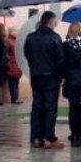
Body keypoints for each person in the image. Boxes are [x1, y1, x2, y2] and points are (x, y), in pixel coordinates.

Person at [25, 11, 65, 149]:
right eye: (55, 22)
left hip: (36, 76)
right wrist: (61, 77)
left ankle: (36, 137)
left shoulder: (30, 37)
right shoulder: (54, 38)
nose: (56, 24)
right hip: (51, 77)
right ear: (50, 22)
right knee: (50, 107)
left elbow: (27, 55)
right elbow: (60, 59)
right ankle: (49, 137)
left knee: (37, 106)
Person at [62, 22, 81, 147]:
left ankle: (75, 135)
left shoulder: (65, 45)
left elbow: (62, 63)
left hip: (71, 80)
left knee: (73, 109)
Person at [5, 28, 23, 104]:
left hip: (17, 64)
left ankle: (15, 97)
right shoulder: (8, 41)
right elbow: (6, 53)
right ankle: (14, 98)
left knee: (16, 81)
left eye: (16, 31)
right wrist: (8, 62)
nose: (16, 32)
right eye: (14, 31)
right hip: (12, 64)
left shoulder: (17, 41)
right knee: (12, 81)